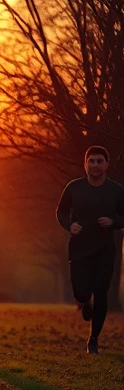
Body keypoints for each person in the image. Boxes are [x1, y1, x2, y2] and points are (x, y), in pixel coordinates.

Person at [55, 145, 124, 355]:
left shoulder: (116, 190)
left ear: (106, 165)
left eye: (99, 161)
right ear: (85, 164)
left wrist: (113, 222)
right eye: (91, 161)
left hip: (105, 248)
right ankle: (85, 302)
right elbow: (61, 212)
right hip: (79, 248)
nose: (95, 165)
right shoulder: (74, 187)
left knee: (101, 291)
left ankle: (93, 339)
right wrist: (70, 226)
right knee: (81, 292)